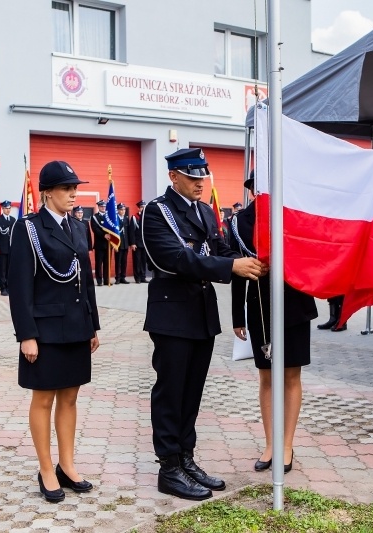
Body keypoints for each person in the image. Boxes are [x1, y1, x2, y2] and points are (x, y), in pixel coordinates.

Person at [141, 147, 264, 501]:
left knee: (192, 392)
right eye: (192, 177)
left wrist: (249, 262)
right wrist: (230, 268)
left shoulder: (206, 211)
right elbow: (176, 258)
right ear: (174, 177)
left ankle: (185, 458)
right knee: (171, 392)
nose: (199, 183)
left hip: (201, 314)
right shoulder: (158, 212)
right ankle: (168, 467)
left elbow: (220, 250)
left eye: (202, 177)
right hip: (172, 314)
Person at [8, 160, 100, 503]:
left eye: (75, 187)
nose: (73, 193)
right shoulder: (28, 228)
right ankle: (46, 469)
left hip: (76, 325)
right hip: (44, 330)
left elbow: (86, 278)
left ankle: (68, 465)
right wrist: (26, 335)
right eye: (66, 188)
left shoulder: (79, 226)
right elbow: (19, 286)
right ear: (47, 192)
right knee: (43, 398)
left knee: (71, 397)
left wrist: (93, 324)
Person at [230, 177, 317, 474]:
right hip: (259, 305)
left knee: (291, 375)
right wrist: (237, 316)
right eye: (259, 187)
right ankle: (270, 445)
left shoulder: (294, 212)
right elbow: (236, 269)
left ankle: (287, 445)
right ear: (253, 189)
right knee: (266, 377)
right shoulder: (240, 221)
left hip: (294, 302)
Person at [0, 200, 16, 296]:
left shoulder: (13, 220)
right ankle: (3, 288)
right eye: (6, 208)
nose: (8, 210)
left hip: (11, 248)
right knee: (2, 269)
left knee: (10, 269)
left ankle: (9, 286)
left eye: (9, 208)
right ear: (2, 209)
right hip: (2, 249)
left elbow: (15, 235)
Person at [90, 200, 110, 285]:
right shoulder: (95, 217)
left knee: (107, 263)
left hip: (108, 244)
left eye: (104, 206)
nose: (103, 208)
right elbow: (95, 229)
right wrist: (104, 235)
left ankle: (106, 280)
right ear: (98, 207)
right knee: (99, 263)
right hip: (99, 244)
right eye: (102, 206)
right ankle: (99, 280)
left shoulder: (109, 217)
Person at [131, 200, 148, 283]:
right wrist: (133, 243)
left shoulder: (148, 217)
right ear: (138, 208)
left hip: (145, 243)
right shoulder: (134, 217)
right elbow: (132, 232)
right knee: (137, 261)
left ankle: (143, 277)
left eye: (144, 207)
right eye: (141, 207)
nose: (143, 208)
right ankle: (137, 278)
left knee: (144, 261)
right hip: (137, 243)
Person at [114, 203, 131, 284]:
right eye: (121, 209)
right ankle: (117, 277)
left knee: (124, 262)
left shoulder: (126, 218)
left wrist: (130, 243)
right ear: (118, 210)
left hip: (125, 243)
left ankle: (123, 277)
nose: (123, 211)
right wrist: (114, 244)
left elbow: (129, 232)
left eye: (124, 209)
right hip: (118, 244)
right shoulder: (115, 219)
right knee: (118, 261)